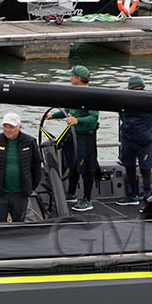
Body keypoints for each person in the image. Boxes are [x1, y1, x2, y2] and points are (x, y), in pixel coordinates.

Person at [47, 65, 99, 211]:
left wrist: (77, 121)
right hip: (74, 136)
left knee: (86, 167)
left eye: (71, 76)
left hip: (86, 138)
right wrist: (53, 116)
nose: (70, 78)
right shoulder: (74, 93)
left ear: (77, 79)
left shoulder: (91, 96)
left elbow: (93, 119)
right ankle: (71, 193)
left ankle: (87, 199)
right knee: (73, 164)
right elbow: (68, 111)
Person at [0, 111, 43, 223]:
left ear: (19, 127)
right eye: (5, 126)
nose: (8, 130)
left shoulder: (30, 141)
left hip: (21, 193)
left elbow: (36, 165)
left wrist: (32, 186)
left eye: (11, 127)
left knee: (19, 224)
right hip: (0, 193)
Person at [116, 76, 152, 204]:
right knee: (129, 166)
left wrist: (146, 131)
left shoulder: (151, 102)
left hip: (144, 142)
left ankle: (147, 197)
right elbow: (122, 116)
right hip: (128, 140)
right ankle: (132, 195)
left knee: (145, 169)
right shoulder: (124, 100)